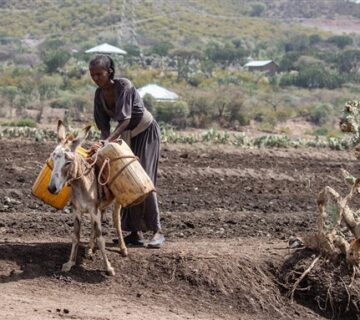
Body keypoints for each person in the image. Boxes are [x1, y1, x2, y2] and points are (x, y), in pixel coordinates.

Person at [89, 54, 164, 248]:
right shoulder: (99, 95)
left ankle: (157, 231)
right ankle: (134, 232)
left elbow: (125, 120)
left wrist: (107, 141)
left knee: (142, 178)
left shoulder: (124, 86)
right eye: (92, 74)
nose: (96, 78)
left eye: (99, 74)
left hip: (145, 131)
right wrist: (102, 143)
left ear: (110, 72)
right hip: (125, 136)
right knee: (123, 177)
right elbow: (104, 126)